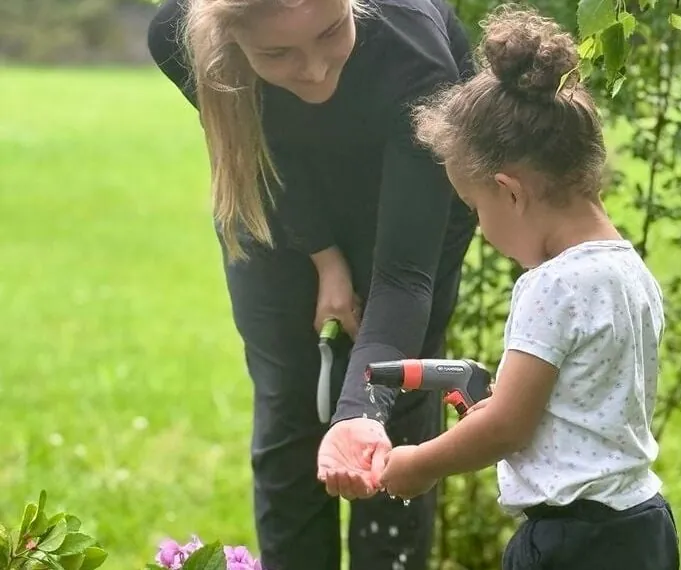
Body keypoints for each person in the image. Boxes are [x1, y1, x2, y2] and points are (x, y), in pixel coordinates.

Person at [145, 0, 477, 568]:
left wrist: (359, 414)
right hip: (274, 204)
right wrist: (323, 254)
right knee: (290, 412)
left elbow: (404, 274)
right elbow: (259, 149)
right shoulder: (180, 38)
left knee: (390, 421)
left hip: (408, 209)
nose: (316, 69)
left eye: (330, 33)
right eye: (277, 53)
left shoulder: (415, 51)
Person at [378, 5, 681, 570]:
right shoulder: (628, 270)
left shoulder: (551, 285)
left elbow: (508, 427)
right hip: (641, 525)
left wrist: (420, 462)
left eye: (475, 208)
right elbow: (580, 404)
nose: (482, 228)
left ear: (509, 192)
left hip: (572, 542)